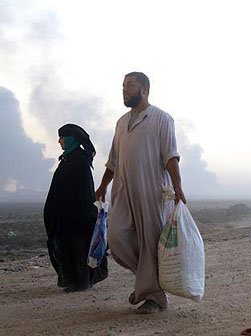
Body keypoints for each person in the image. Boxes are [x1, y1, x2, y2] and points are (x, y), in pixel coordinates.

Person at [95, 72, 186, 314]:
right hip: (123, 192)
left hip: (152, 193)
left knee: (149, 243)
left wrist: (178, 187)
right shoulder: (121, 122)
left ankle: (153, 296)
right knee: (116, 239)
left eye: (130, 85)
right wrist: (103, 185)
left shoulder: (161, 119)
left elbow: (170, 156)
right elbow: (113, 160)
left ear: (144, 88)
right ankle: (149, 282)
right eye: (123, 86)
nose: (124, 90)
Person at [44, 124, 108, 292]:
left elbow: (82, 192)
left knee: (78, 249)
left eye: (62, 138)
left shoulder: (79, 162)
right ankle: (75, 281)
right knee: (71, 249)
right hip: (67, 216)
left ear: (71, 139)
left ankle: (81, 282)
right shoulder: (69, 159)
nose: (59, 141)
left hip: (77, 217)